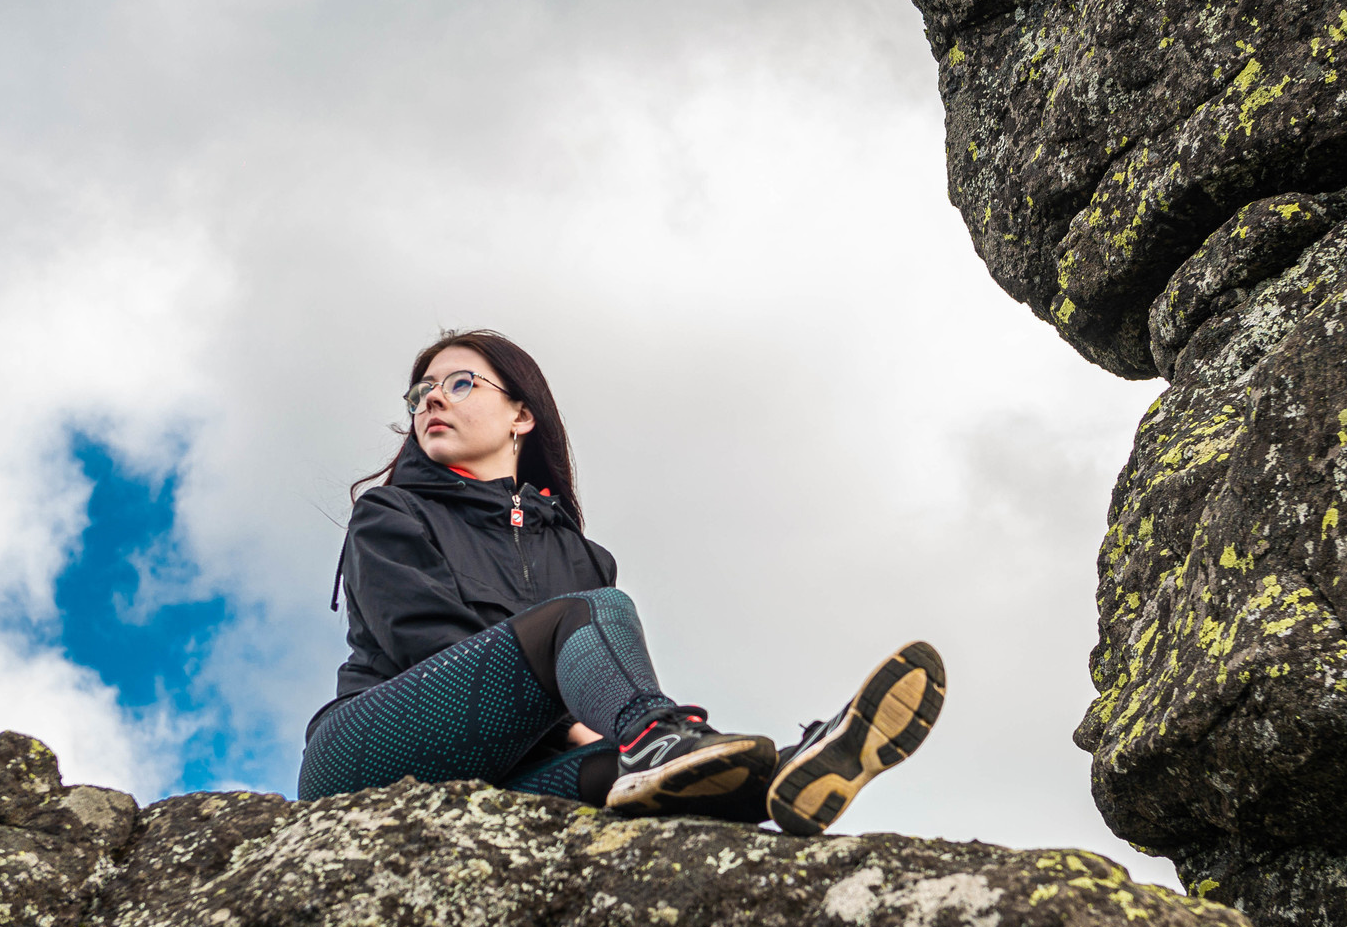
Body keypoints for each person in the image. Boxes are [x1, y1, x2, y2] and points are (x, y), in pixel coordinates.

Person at [299, 329, 944, 830]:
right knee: (591, 626)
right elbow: (427, 644)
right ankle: (656, 738)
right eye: (422, 393)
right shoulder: (390, 512)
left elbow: (588, 694)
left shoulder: (581, 555)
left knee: (656, 782)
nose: (432, 398)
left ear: (522, 414)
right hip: (369, 755)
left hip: (502, 775)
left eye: (461, 383)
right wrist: (602, 725)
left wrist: (608, 738)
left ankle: (788, 770)